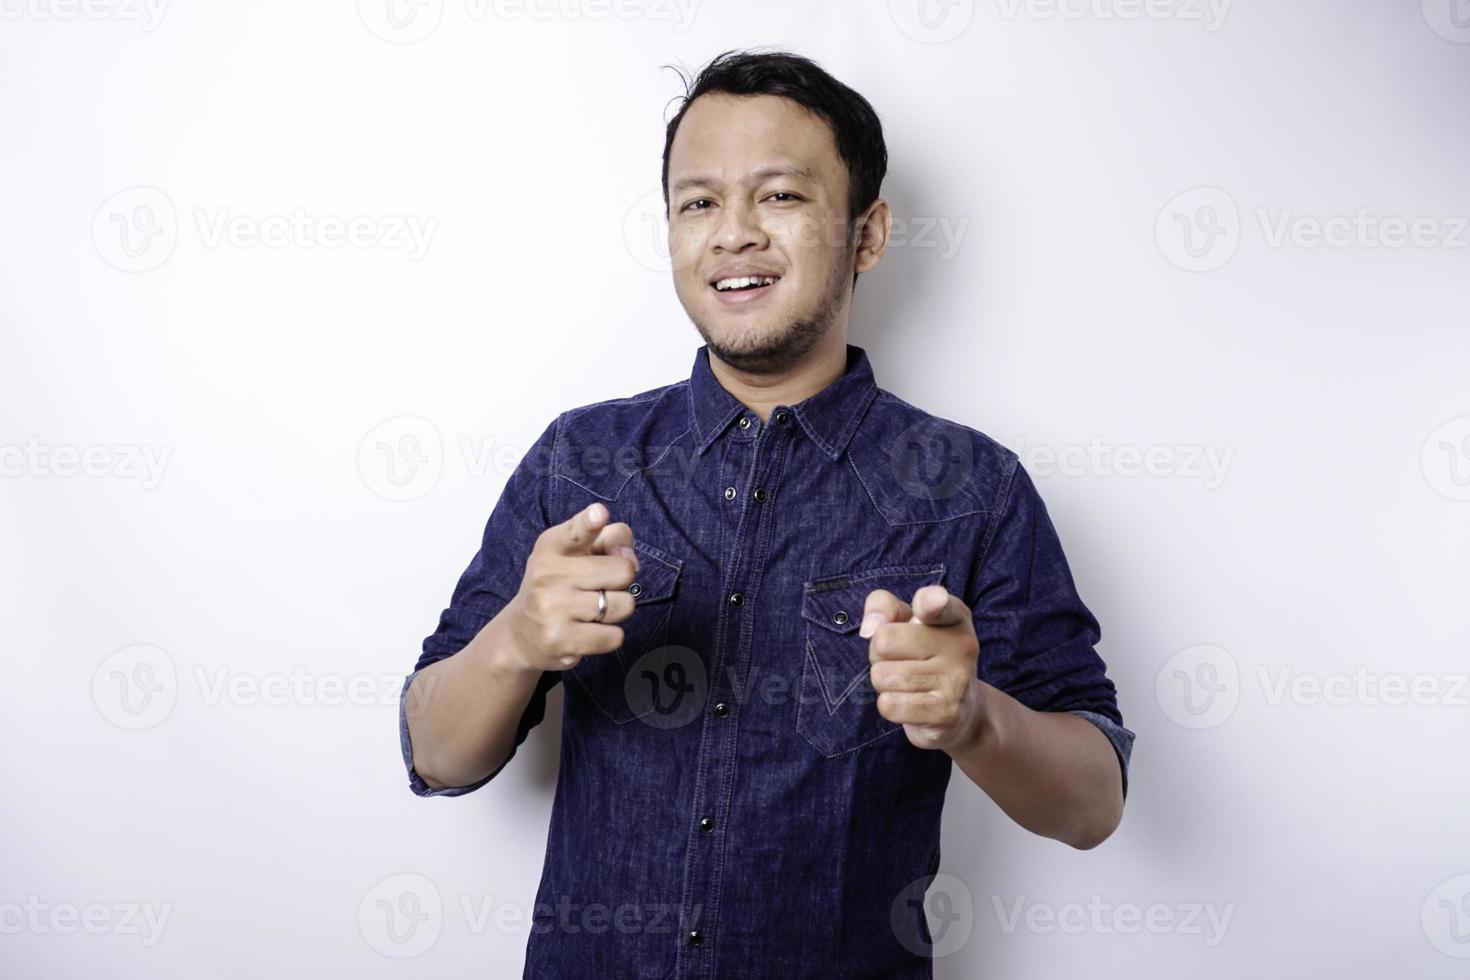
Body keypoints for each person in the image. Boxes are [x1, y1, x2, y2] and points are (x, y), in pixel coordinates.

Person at [399, 47, 1134, 979]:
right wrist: (514, 641)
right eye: (698, 202)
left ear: (867, 236)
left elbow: (1093, 804)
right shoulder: (580, 460)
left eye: (780, 196)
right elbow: (434, 754)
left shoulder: (972, 487)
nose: (732, 234)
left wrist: (973, 719)